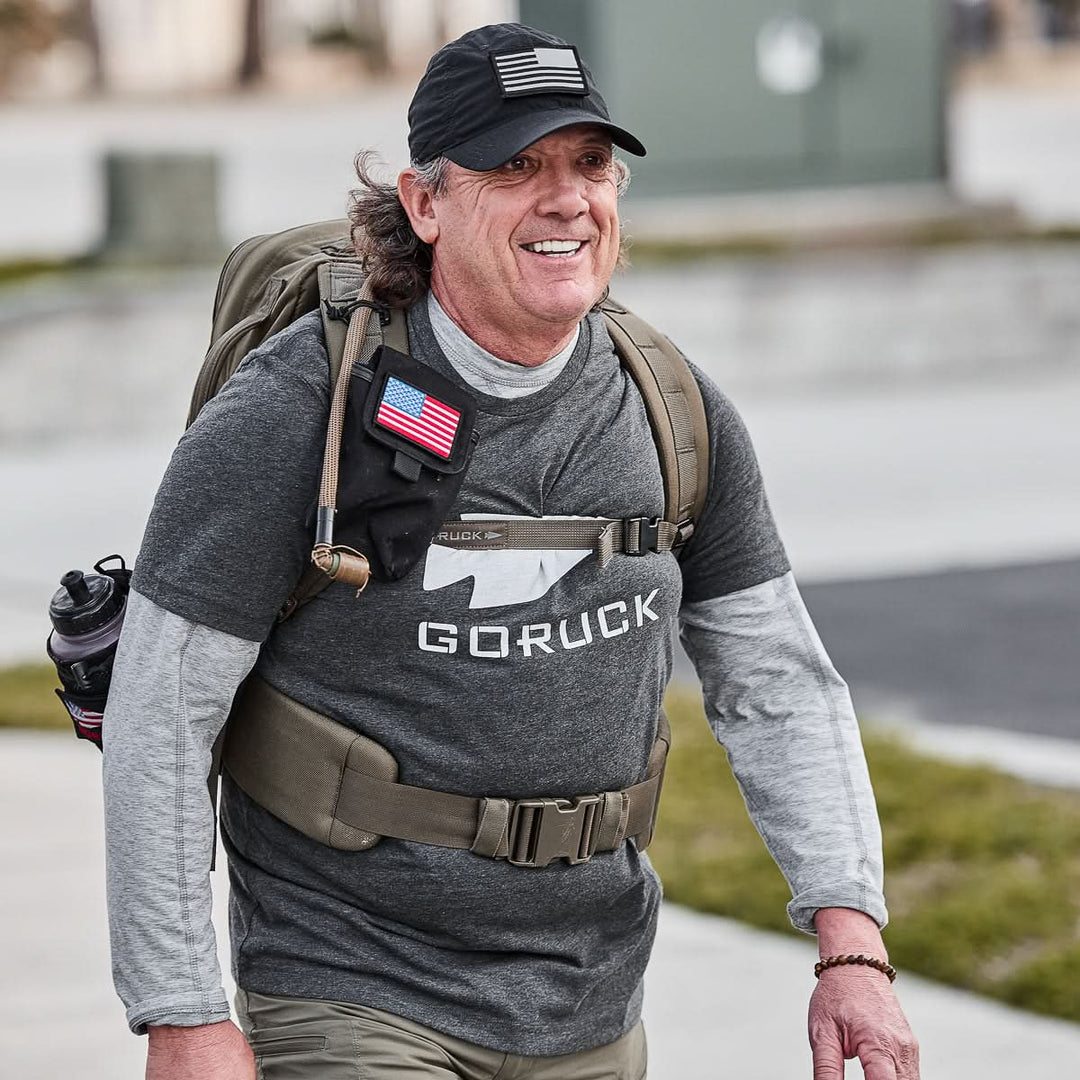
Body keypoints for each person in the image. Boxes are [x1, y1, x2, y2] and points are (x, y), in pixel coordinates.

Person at [103, 22, 919, 1080]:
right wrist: (183, 1014)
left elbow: (780, 683)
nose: (567, 198)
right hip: (351, 982)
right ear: (426, 203)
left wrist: (852, 942)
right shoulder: (299, 408)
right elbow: (164, 710)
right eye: (515, 166)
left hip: (590, 997)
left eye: (590, 164)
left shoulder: (670, 415)